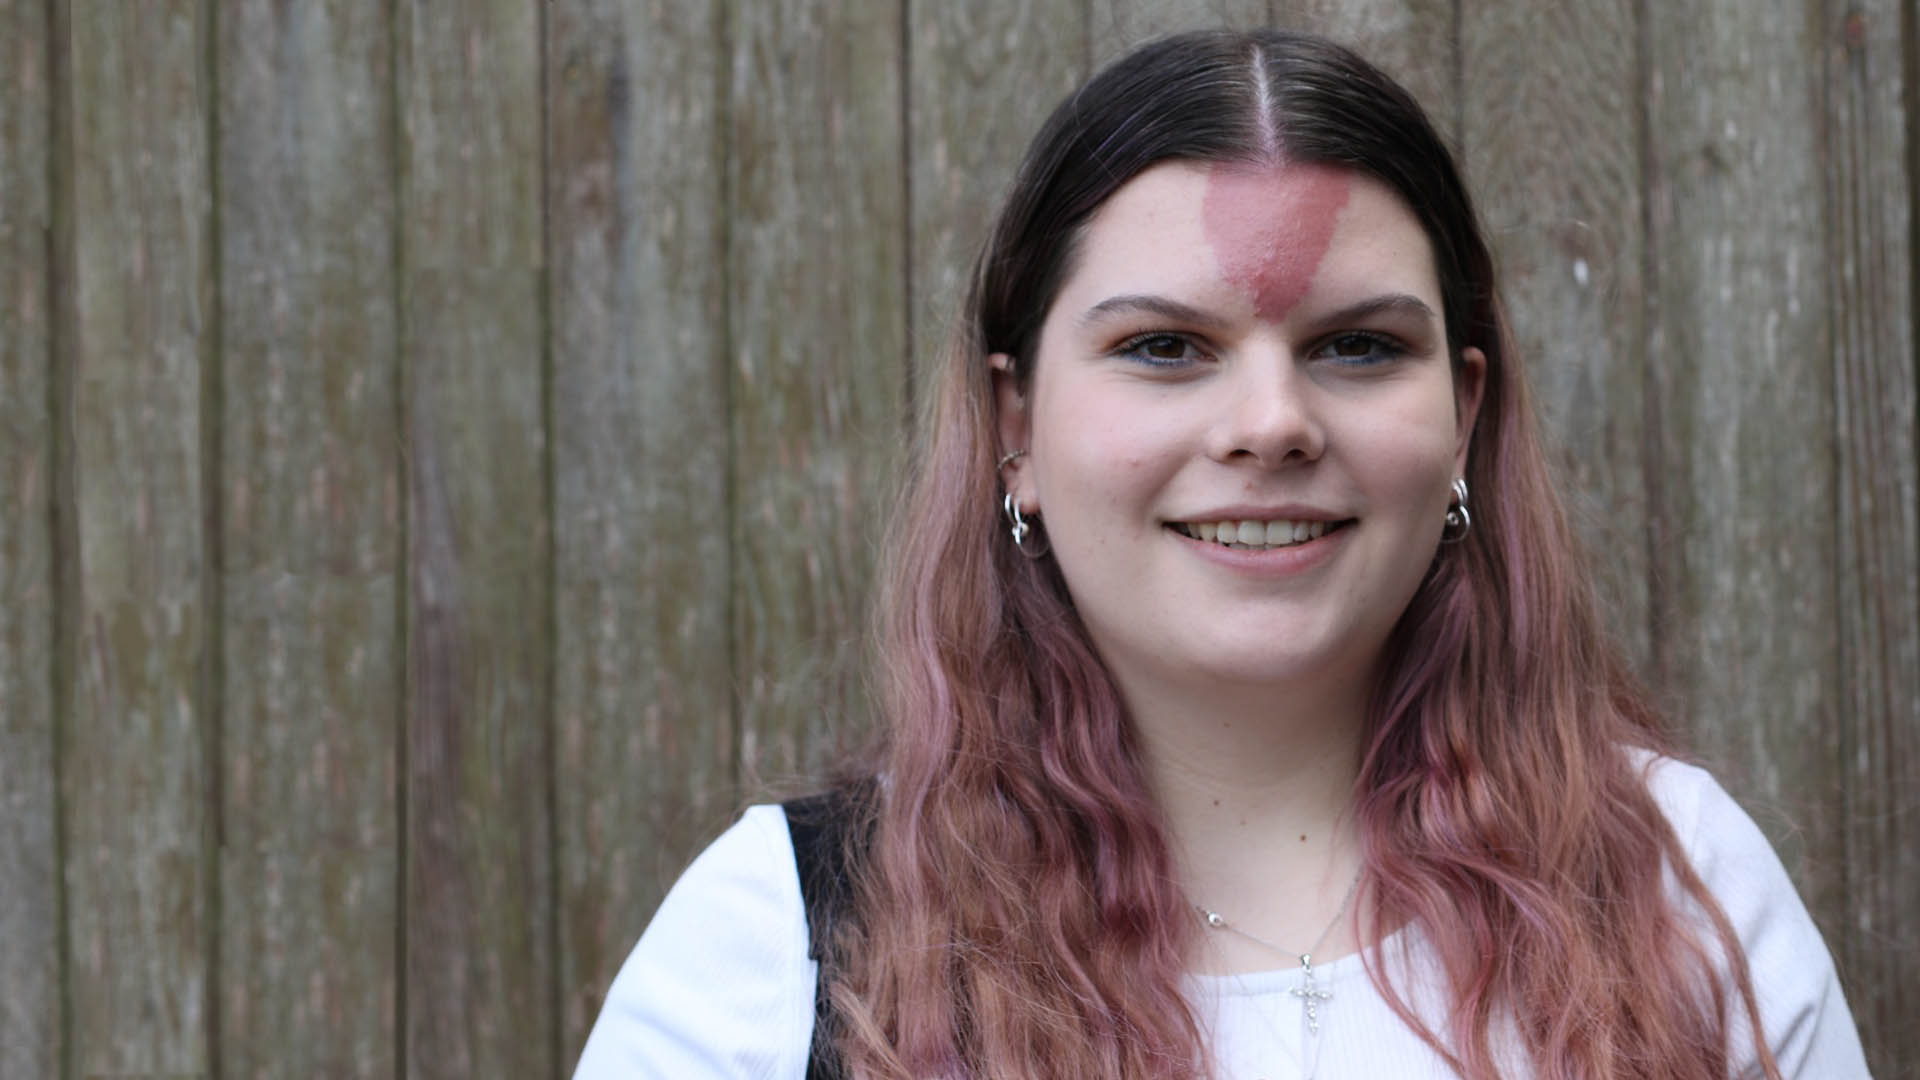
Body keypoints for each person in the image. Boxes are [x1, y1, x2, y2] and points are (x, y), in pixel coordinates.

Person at [573, 28, 1870, 1080]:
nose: (1269, 425)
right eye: (1164, 348)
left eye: (1359, 345)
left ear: (1464, 415)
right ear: (1016, 425)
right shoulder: (783, 951)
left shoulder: (1682, 897)